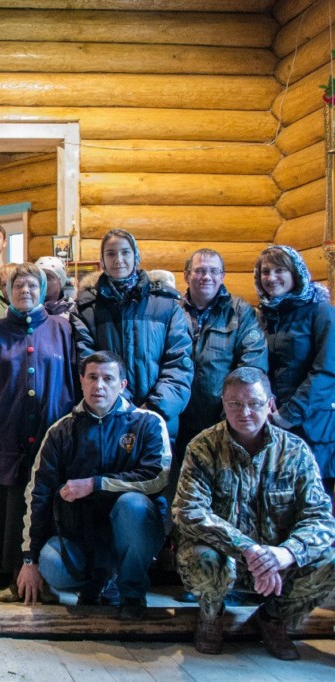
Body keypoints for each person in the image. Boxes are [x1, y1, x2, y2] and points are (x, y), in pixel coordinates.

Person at [173, 367, 335, 660]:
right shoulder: (203, 447)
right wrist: (247, 548)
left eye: (254, 403)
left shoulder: (296, 452)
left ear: (270, 403)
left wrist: (287, 553)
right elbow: (188, 510)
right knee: (202, 557)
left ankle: (273, 619)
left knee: (331, 561)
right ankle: (211, 615)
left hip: (278, 565)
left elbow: (321, 518)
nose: (244, 412)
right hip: (227, 559)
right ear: (223, 403)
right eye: (234, 403)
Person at [16, 352, 171, 620]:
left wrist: (94, 484)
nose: (99, 385)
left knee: (132, 504)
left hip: (134, 531)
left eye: (108, 378)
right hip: (84, 536)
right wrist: (29, 559)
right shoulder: (60, 431)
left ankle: (132, 594)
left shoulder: (148, 423)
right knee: (51, 564)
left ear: (122, 385)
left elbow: (156, 477)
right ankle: (97, 583)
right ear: (81, 381)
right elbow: (38, 494)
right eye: (92, 377)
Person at [0, 263, 76, 603]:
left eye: (31, 286)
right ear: (8, 292)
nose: (25, 291)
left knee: (49, 502)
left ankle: (49, 578)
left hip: (53, 436)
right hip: (8, 436)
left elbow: (75, 381)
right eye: (18, 286)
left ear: (42, 290)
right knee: (14, 507)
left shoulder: (63, 331)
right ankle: (18, 579)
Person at [71, 229, 193, 443]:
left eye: (125, 252)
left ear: (136, 257)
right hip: (108, 418)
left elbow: (179, 364)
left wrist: (152, 409)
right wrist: (121, 407)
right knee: (110, 477)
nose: (118, 260)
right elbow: (87, 360)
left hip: (159, 420)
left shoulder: (166, 305)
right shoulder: (87, 309)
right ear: (102, 260)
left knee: (155, 476)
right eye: (110, 254)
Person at [176, 248, 267, 491]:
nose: (207, 276)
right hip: (179, 419)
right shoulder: (173, 311)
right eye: (200, 270)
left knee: (222, 489)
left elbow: (252, 365)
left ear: (222, 275)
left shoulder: (240, 312)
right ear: (186, 275)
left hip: (222, 418)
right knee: (181, 490)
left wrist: (233, 410)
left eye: (214, 271)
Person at [254, 245, 335, 504]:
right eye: (265, 271)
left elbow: (327, 370)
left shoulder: (319, 310)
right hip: (274, 420)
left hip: (313, 423)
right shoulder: (263, 314)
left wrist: (291, 413)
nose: (271, 277)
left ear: (296, 274)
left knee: (312, 502)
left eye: (280, 270)